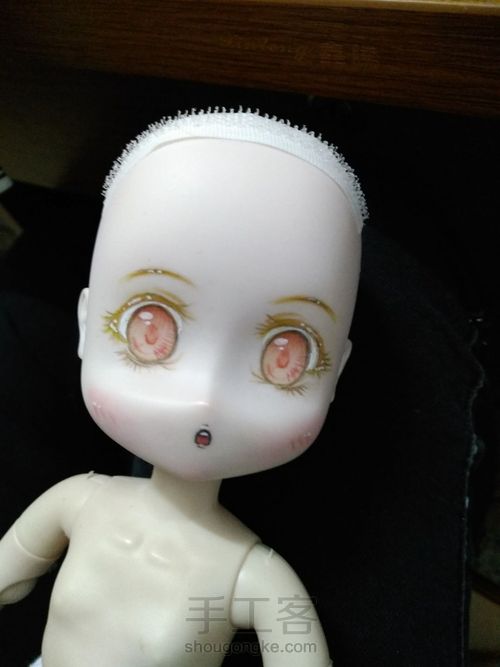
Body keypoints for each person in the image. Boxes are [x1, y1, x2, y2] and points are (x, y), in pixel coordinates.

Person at [0, 109, 366, 666]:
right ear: (86, 322)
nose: (206, 398)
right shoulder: (78, 502)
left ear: (335, 374)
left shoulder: (254, 576)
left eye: (285, 357)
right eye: (150, 328)